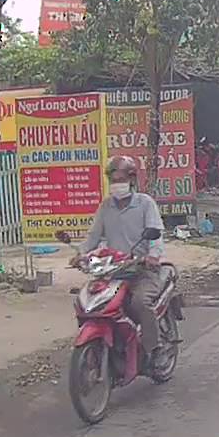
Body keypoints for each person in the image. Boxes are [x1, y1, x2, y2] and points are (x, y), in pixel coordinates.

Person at [72, 155, 167, 363]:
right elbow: (93, 238)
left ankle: (154, 348)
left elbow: (156, 235)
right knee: (89, 302)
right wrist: (80, 254)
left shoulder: (145, 203)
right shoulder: (106, 207)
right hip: (113, 271)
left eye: (121, 180)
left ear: (131, 180)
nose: (117, 185)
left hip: (142, 270)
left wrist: (152, 256)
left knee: (140, 302)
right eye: (113, 180)